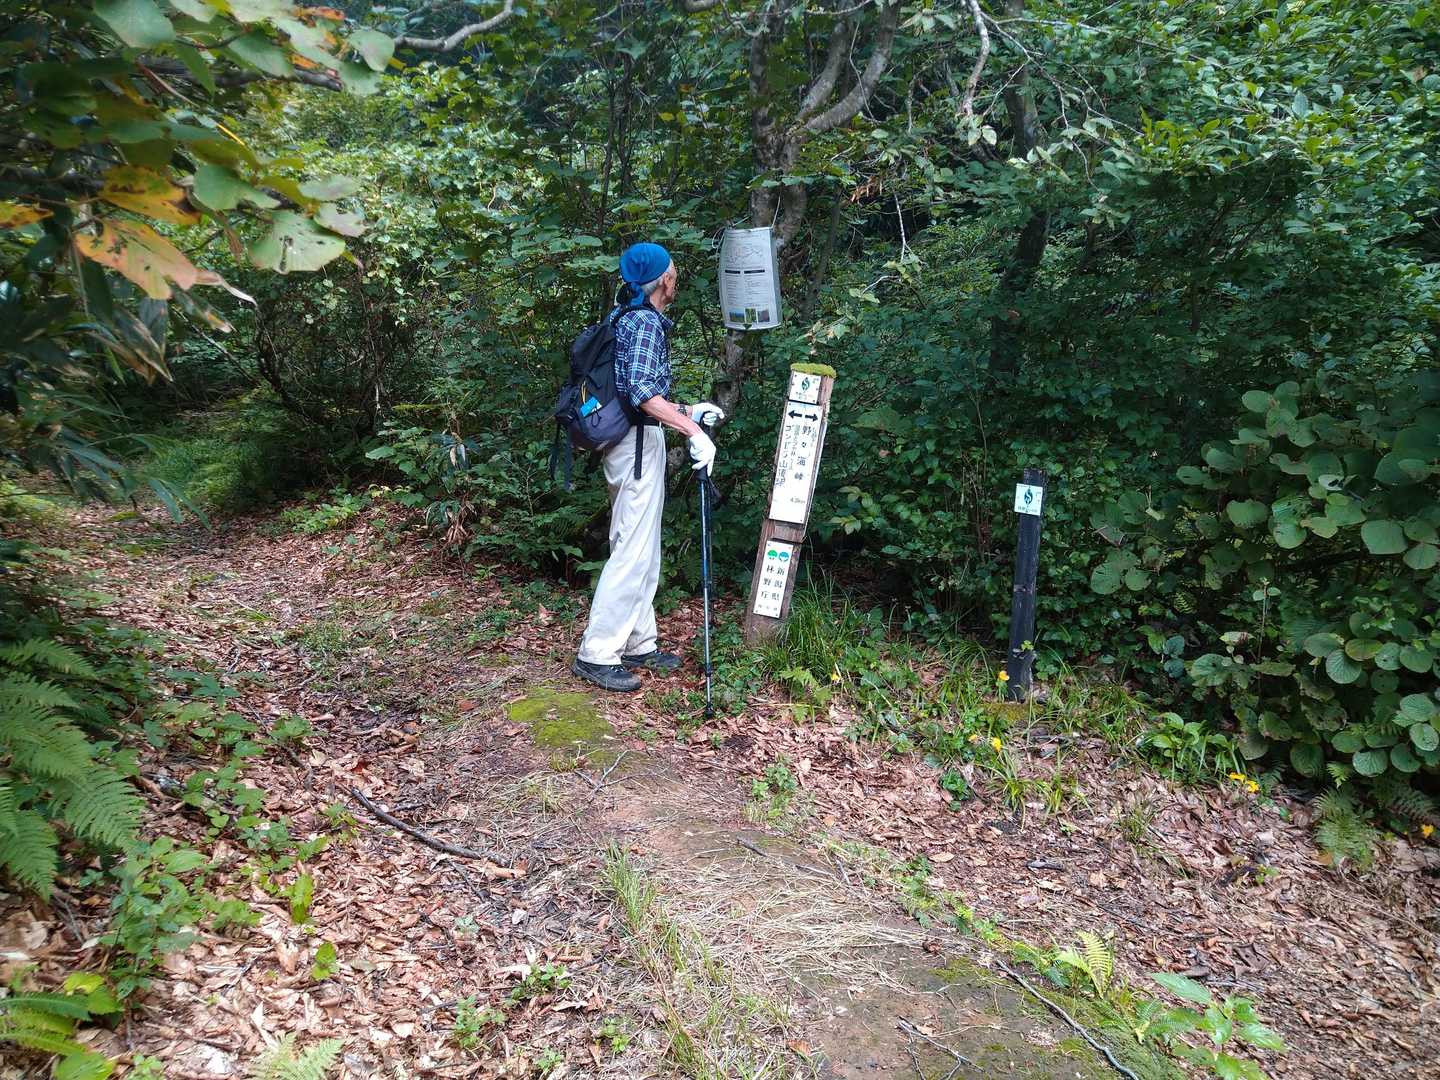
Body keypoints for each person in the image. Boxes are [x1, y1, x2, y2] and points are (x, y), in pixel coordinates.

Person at [572, 242, 724, 693]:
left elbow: (633, 392)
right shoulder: (643, 323)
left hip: (632, 442)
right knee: (632, 551)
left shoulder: (627, 317)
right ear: (664, 281)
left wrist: (689, 410)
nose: (677, 280)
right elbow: (641, 393)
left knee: (639, 545)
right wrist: (692, 432)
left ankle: (639, 642)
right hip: (636, 446)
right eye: (674, 273)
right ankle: (597, 652)